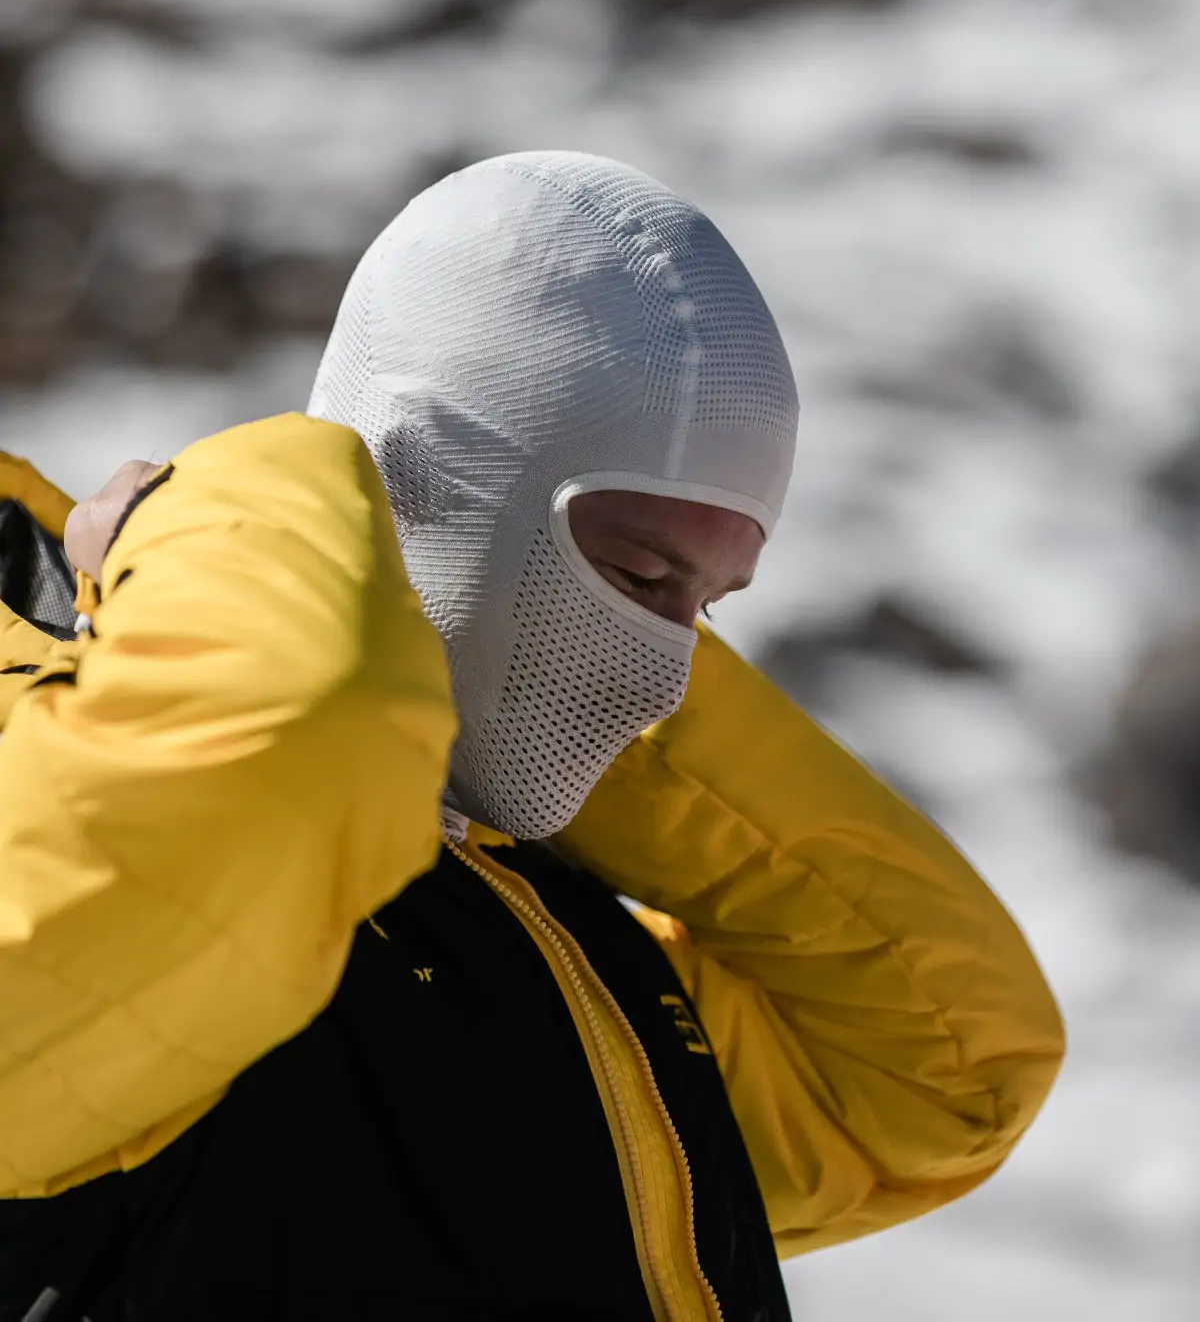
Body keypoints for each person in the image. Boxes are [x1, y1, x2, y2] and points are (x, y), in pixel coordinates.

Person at [0, 152, 1064, 1321]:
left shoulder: (526, 913)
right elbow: (271, 771)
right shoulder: (46, 766)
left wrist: (517, 693)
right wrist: (228, 511)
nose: (669, 679)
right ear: (408, 477)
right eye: (637, 575)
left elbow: (945, 1072)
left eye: (710, 608)